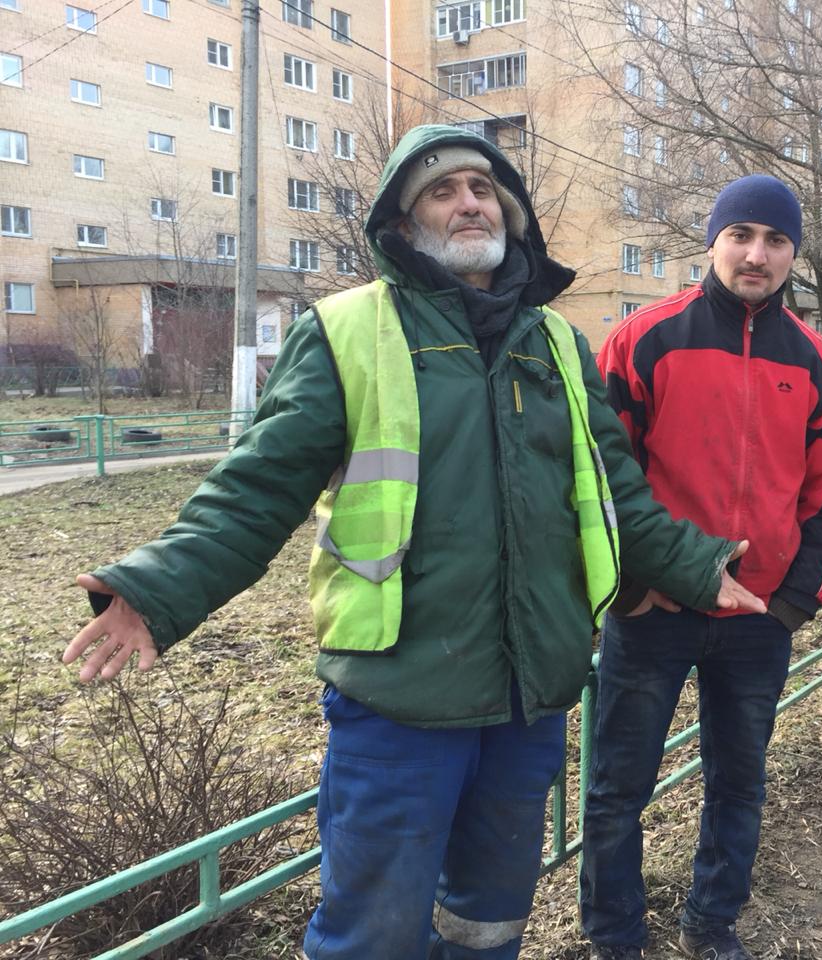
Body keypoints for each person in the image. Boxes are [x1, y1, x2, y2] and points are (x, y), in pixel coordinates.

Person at [60, 126, 766, 960]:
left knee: (490, 920)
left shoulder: (560, 347)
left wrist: (695, 565)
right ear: (401, 225)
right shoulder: (347, 332)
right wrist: (154, 587)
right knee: (374, 934)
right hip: (400, 697)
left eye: (483, 189)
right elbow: (256, 487)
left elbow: (617, 493)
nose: (469, 202)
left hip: (529, 696)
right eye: (442, 190)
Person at [579, 175, 822, 960]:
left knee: (738, 784)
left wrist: (795, 600)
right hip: (655, 611)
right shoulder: (645, 339)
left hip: (757, 619)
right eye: (741, 235)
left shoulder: (813, 359)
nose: (756, 255)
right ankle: (614, 937)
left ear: (794, 253)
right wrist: (631, 588)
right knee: (616, 792)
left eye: (775, 240)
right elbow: (604, 477)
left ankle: (712, 922)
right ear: (713, 241)